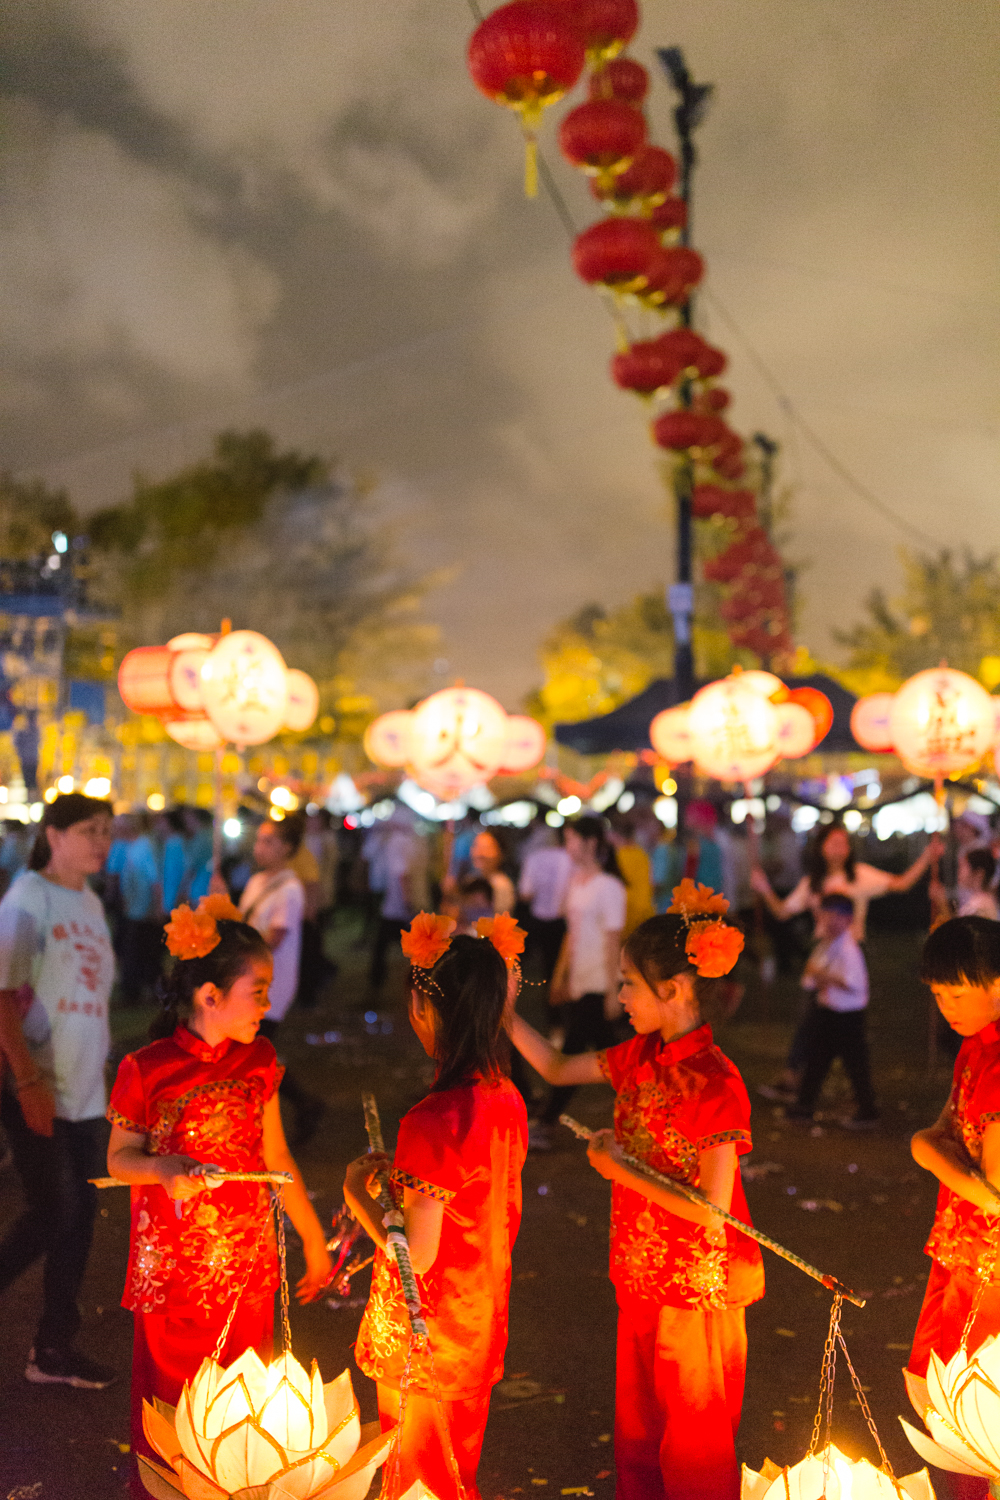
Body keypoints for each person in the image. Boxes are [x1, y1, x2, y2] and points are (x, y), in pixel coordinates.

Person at [508, 890, 762, 1500]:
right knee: (640, 1429)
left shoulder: (716, 1083)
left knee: (694, 1438)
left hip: (697, 1288)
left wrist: (621, 1170)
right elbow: (556, 1068)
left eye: (629, 984)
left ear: (674, 989)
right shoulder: (639, 1056)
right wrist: (502, 1013)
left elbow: (713, 1210)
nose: (619, 996)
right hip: (641, 1275)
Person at [106, 897, 331, 1465]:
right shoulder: (146, 1067)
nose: (269, 1002)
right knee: (170, 1403)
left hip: (247, 1266)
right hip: (174, 1271)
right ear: (210, 996)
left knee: (239, 1400)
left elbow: (276, 1156)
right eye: (257, 991)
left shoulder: (260, 1060)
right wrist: (159, 1168)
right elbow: (119, 1159)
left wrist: (311, 1238)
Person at [345, 915, 527, 1499]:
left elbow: (415, 1257)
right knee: (453, 1473)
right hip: (478, 1322)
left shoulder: (433, 1120)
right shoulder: (506, 1098)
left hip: (429, 1336)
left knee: (416, 1481)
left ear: (425, 1008)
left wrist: (356, 1193)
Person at [0, 792, 116, 1389]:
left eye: (107, 830)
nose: (101, 840)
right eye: (89, 829)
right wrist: (26, 1078)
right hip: (38, 1085)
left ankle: (52, 1349)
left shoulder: (89, 901)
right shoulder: (27, 899)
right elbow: (1, 995)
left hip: (86, 1091)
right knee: (52, 1213)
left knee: (79, 1219)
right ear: (54, 834)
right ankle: (50, 1345)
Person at [908, 917, 1000, 1500]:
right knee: (947, 1399)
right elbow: (946, 1126)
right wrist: (934, 1144)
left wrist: (925, 1151)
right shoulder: (975, 1047)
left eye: (956, 993)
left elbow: (994, 1192)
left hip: (988, 1268)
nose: (945, 1007)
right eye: (938, 995)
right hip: (962, 1250)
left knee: (972, 1406)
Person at [754, 819, 941, 1102]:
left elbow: (900, 884)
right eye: (834, 842)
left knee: (837, 1021)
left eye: (844, 842)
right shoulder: (812, 883)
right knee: (813, 1018)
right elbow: (782, 912)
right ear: (821, 848)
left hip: (851, 952)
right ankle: (802, 1082)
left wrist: (928, 857)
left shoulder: (860, 876)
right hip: (822, 955)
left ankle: (806, 1084)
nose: (840, 848)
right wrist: (763, 888)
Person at [532, 816, 626, 1149]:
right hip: (579, 982)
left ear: (590, 842)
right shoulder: (576, 882)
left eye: (572, 839)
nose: (568, 846)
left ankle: (544, 1121)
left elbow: (614, 941)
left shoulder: (610, 887)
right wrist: (559, 977)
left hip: (599, 984)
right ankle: (649, 1102)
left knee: (572, 1055)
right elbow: (571, 937)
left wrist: (615, 990)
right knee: (612, 1056)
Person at [239, 817, 321, 1147]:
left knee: (253, 1053)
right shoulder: (256, 881)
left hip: (271, 984)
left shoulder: (290, 888)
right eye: (259, 839)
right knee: (254, 1054)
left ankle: (299, 1105)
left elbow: (274, 936)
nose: (260, 847)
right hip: (247, 978)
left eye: (269, 841)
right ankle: (301, 1104)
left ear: (288, 848)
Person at [784, 893, 878, 1129]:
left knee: (855, 1065)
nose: (830, 921)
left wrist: (822, 976)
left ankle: (868, 1110)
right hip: (828, 1012)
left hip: (847, 1016)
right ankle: (804, 1105)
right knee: (817, 1060)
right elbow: (810, 976)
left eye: (836, 916)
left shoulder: (849, 949)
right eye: (826, 916)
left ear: (847, 920)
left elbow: (853, 982)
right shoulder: (828, 944)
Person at [368, 805, 429, 994]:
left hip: (399, 905)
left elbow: (402, 874)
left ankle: (378, 983)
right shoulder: (417, 841)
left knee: (382, 946)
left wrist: (406, 902)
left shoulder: (397, 842)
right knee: (420, 948)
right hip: (417, 901)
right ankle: (423, 983)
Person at [518, 821, 571, 984]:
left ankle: (544, 995)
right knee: (559, 962)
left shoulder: (532, 859)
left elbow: (525, 894)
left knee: (540, 964)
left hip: (538, 918)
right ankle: (557, 995)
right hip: (562, 919)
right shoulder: (568, 857)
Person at [119, 811, 164, 1004]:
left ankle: (142, 992)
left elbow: (155, 879)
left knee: (142, 952)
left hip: (143, 911)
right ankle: (138, 992)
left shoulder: (145, 846)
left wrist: (157, 906)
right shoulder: (132, 846)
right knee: (137, 951)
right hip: (134, 909)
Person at [652, 799, 724, 912]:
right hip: (711, 896)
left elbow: (689, 873)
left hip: (697, 898)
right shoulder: (714, 844)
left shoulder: (695, 845)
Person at [609, 814, 655, 938]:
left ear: (614, 834)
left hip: (627, 916)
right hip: (645, 914)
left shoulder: (617, 858)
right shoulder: (642, 854)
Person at [469, 830, 516, 914]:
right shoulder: (471, 879)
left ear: (500, 853)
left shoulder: (501, 885)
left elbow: (500, 922)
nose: (479, 853)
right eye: (476, 846)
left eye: (486, 848)